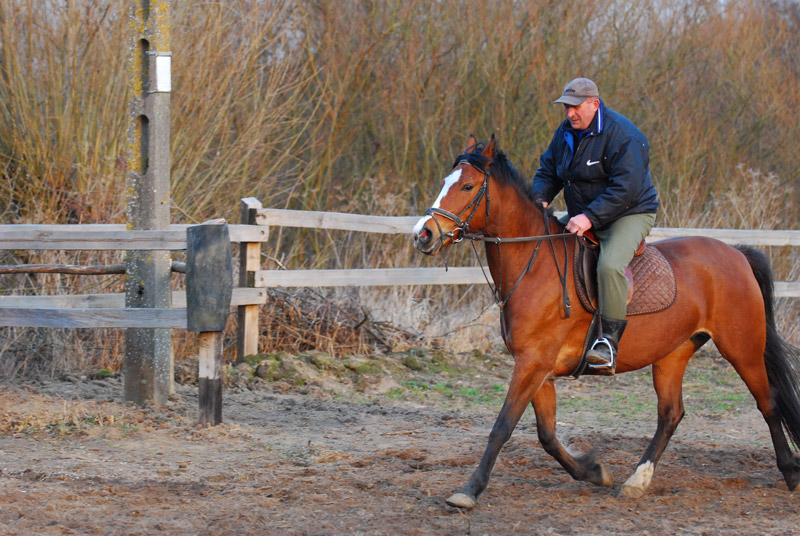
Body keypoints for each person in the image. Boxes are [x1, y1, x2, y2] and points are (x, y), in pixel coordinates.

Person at [531, 77, 659, 374]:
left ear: (594, 104)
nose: (570, 114)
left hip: (629, 213)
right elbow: (548, 172)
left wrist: (589, 217)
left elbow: (626, 189)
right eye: (566, 108)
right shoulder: (565, 132)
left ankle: (608, 343)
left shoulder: (624, 135)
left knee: (609, 267)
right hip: (583, 213)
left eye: (575, 107)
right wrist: (539, 199)